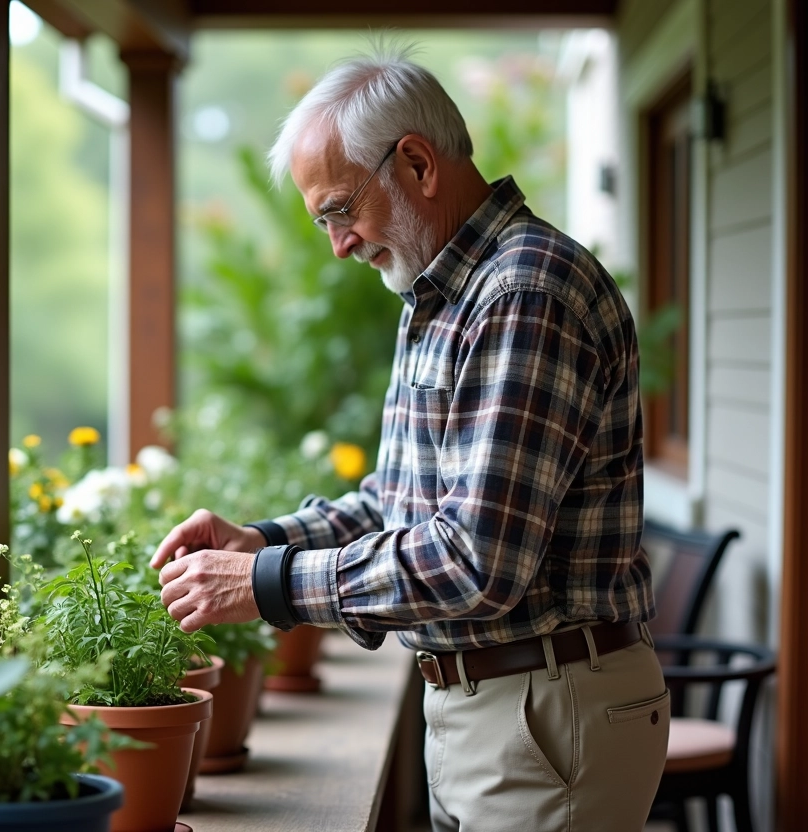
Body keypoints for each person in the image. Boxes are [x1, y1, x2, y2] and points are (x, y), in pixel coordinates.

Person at [150, 43, 668, 832]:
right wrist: (260, 542)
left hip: (544, 709)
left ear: (418, 164)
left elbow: (475, 561)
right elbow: (398, 503)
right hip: (502, 708)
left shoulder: (523, 293)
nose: (338, 243)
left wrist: (268, 586)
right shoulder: (442, 296)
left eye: (337, 210)